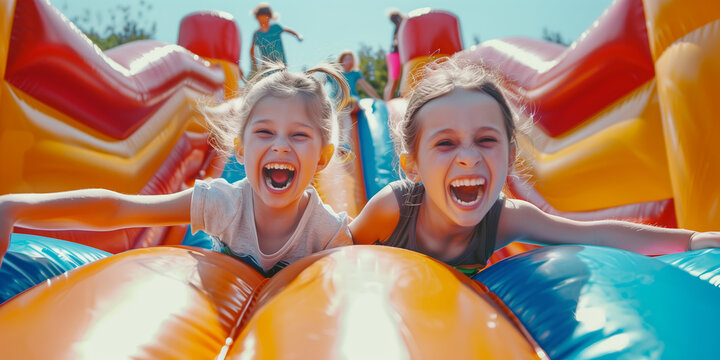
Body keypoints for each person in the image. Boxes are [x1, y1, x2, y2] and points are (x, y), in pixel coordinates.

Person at [350, 58, 720, 276]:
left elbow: (594, 234)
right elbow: (330, 254)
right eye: (445, 143)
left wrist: (689, 240)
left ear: (511, 157)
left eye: (486, 140)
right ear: (411, 165)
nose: (468, 157)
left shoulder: (504, 219)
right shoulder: (393, 210)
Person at [0, 63, 354, 277]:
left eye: (298, 135)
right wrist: (17, 207)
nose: (280, 145)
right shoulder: (222, 203)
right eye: (264, 132)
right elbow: (121, 209)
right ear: (241, 150)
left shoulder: (326, 232)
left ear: (322, 158)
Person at [250, 3, 303, 70]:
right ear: (257, 18)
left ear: (269, 17)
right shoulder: (257, 34)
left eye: (265, 16)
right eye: (260, 17)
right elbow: (252, 50)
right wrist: (254, 63)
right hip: (267, 66)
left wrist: (298, 35)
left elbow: (288, 30)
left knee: (283, 79)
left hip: (281, 64)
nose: (262, 20)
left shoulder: (275, 28)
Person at [383, 10, 404, 101]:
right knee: (393, 79)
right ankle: (387, 101)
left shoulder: (401, 27)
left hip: (398, 55)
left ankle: (401, 96)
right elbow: (396, 42)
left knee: (402, 77)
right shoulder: (398, 28)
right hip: (395, 55)